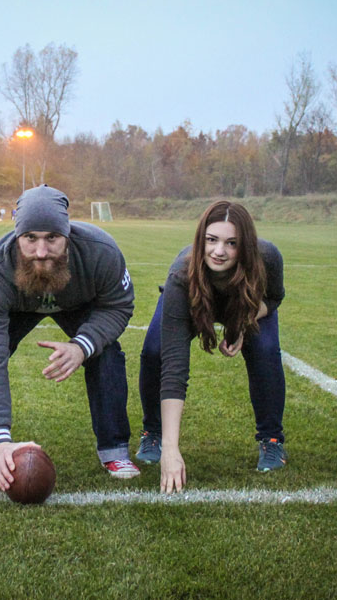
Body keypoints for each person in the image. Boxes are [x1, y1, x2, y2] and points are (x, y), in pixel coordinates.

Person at [0, 185, 139, 490]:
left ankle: (114, 449)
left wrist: (82, 346)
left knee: (106, 353)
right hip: (18, 305)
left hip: (78, 302)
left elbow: (118, 305)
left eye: (52, 238)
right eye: (30, 238)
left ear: (68, 234)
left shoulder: (102, 251)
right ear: (17, 235)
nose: (41, 251)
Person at [135, 201, 287, 494]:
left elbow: (275, 298)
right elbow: (175, 367)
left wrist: (243, 323)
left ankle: (271, 441)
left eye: (232, 243)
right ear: (200, 239)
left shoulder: (267, 257)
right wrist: (171, 448)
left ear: (246, 246)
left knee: (266, 351)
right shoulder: (181, 275)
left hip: (246, 306)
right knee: (155, 352)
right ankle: (153, 434)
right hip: (194, 300)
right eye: (212, 240)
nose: (219, 251)